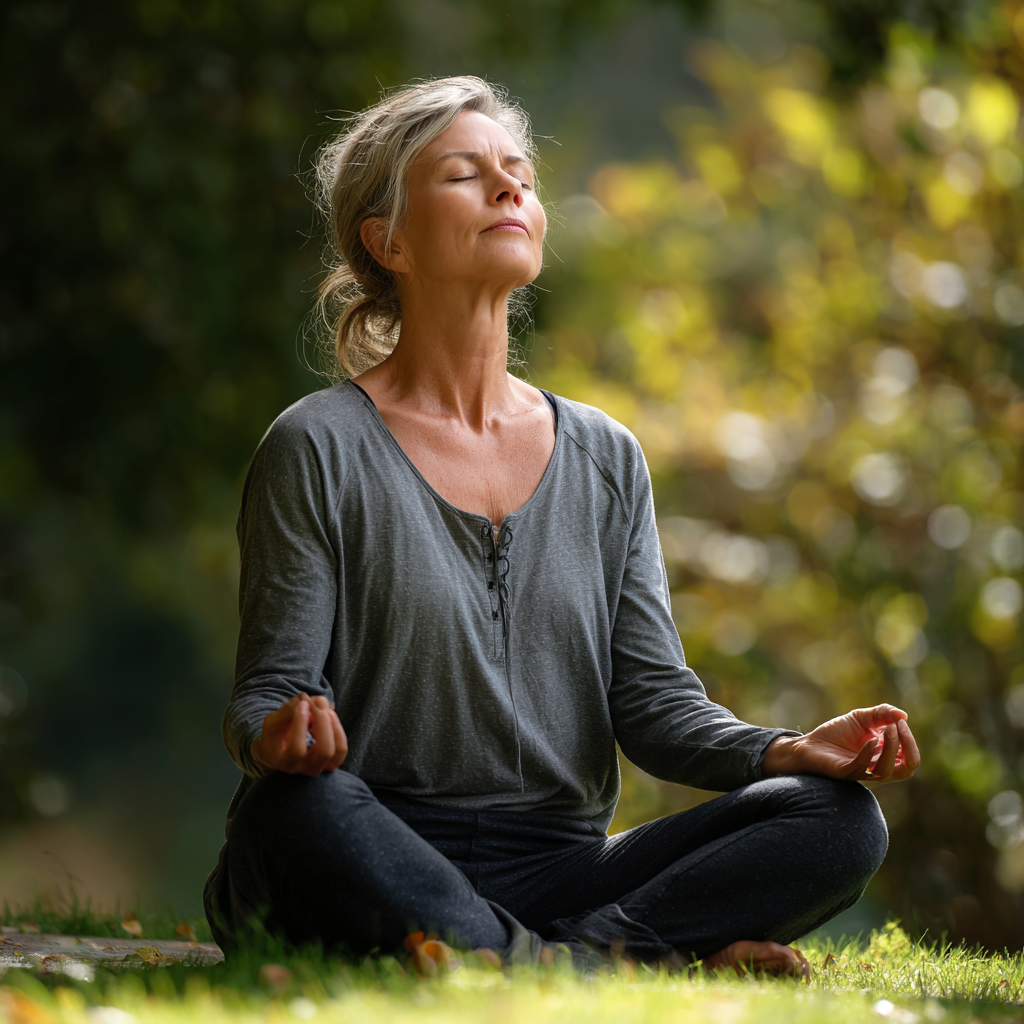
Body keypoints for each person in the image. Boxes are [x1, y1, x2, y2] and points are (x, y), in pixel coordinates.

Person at [204, 76, 920, 975]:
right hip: (370, 845)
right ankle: (616, 961)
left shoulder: (606, 456)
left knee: (836, 819)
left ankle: (527, 961)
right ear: (386, 241)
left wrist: (783, 749)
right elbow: (267, 694)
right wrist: (281, 732)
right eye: (466, 175)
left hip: (564, 866)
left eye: (521, 176)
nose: (509, 190)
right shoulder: (316, 446)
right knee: (288, 813)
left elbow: (655, 706)